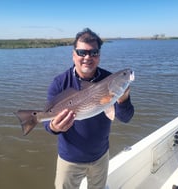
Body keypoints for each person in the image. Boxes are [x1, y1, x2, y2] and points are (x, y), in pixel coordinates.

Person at [44, 28, 134, 189]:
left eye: (94, 52)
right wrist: (53, 126)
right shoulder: (59, 83)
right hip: (70, 159)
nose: (87, 57)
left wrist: (123, 99)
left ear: (99, 55)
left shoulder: (110, 80)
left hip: (101, 156)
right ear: (73, 54)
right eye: (82, 52)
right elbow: (48, 123)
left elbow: (125, 118)